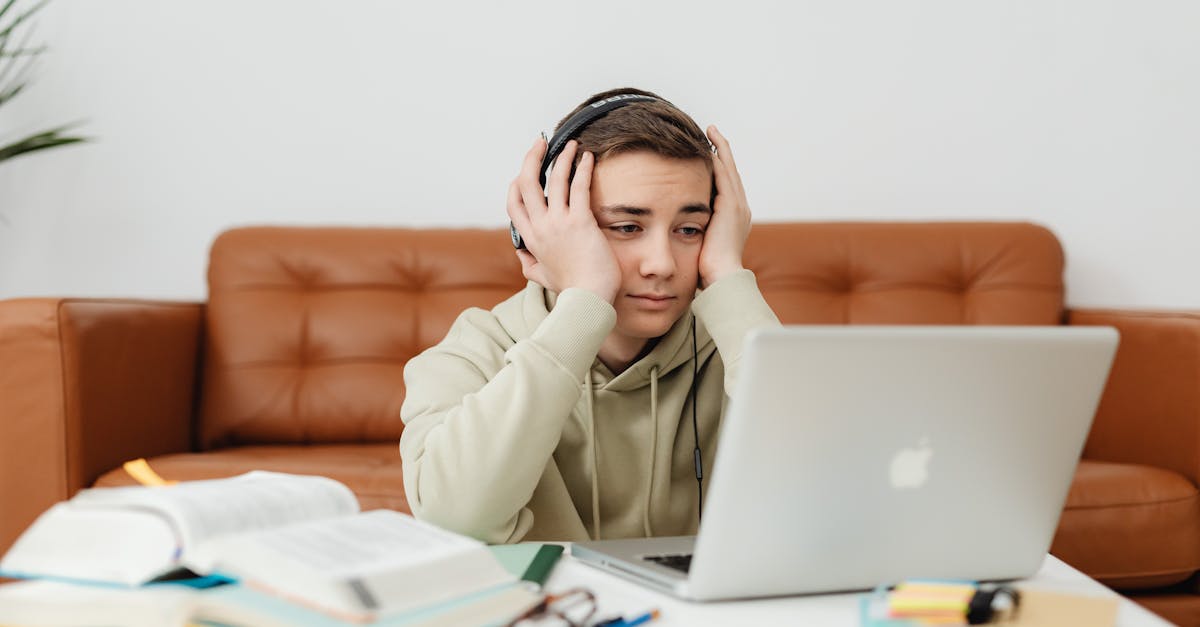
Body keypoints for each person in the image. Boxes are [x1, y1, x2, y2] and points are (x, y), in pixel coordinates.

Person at [399, 88, 780, 544]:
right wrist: (585, 302)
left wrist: (727, 275)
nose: (661, 263)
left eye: (689, 229)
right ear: (539, 231)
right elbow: (456, 522)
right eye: (626, 227)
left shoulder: (736, 345)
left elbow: (830, 493)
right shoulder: (472, 353)